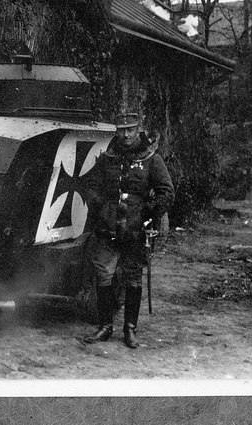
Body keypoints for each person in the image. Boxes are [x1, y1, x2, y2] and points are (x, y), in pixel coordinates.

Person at [81, 112, 174, 349]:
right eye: (121, 130)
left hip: (134, 230)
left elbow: (167, 192)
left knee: (133, 277)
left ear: (137, 130)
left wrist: (146, 213)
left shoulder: (151, 159)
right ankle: (104, 326)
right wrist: (102, 207)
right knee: (104, 274)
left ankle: (130, 329)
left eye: (130, 130)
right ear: (116, 132)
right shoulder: (107, 158)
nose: (125, 135)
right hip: (108, 227)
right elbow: (89, 186)